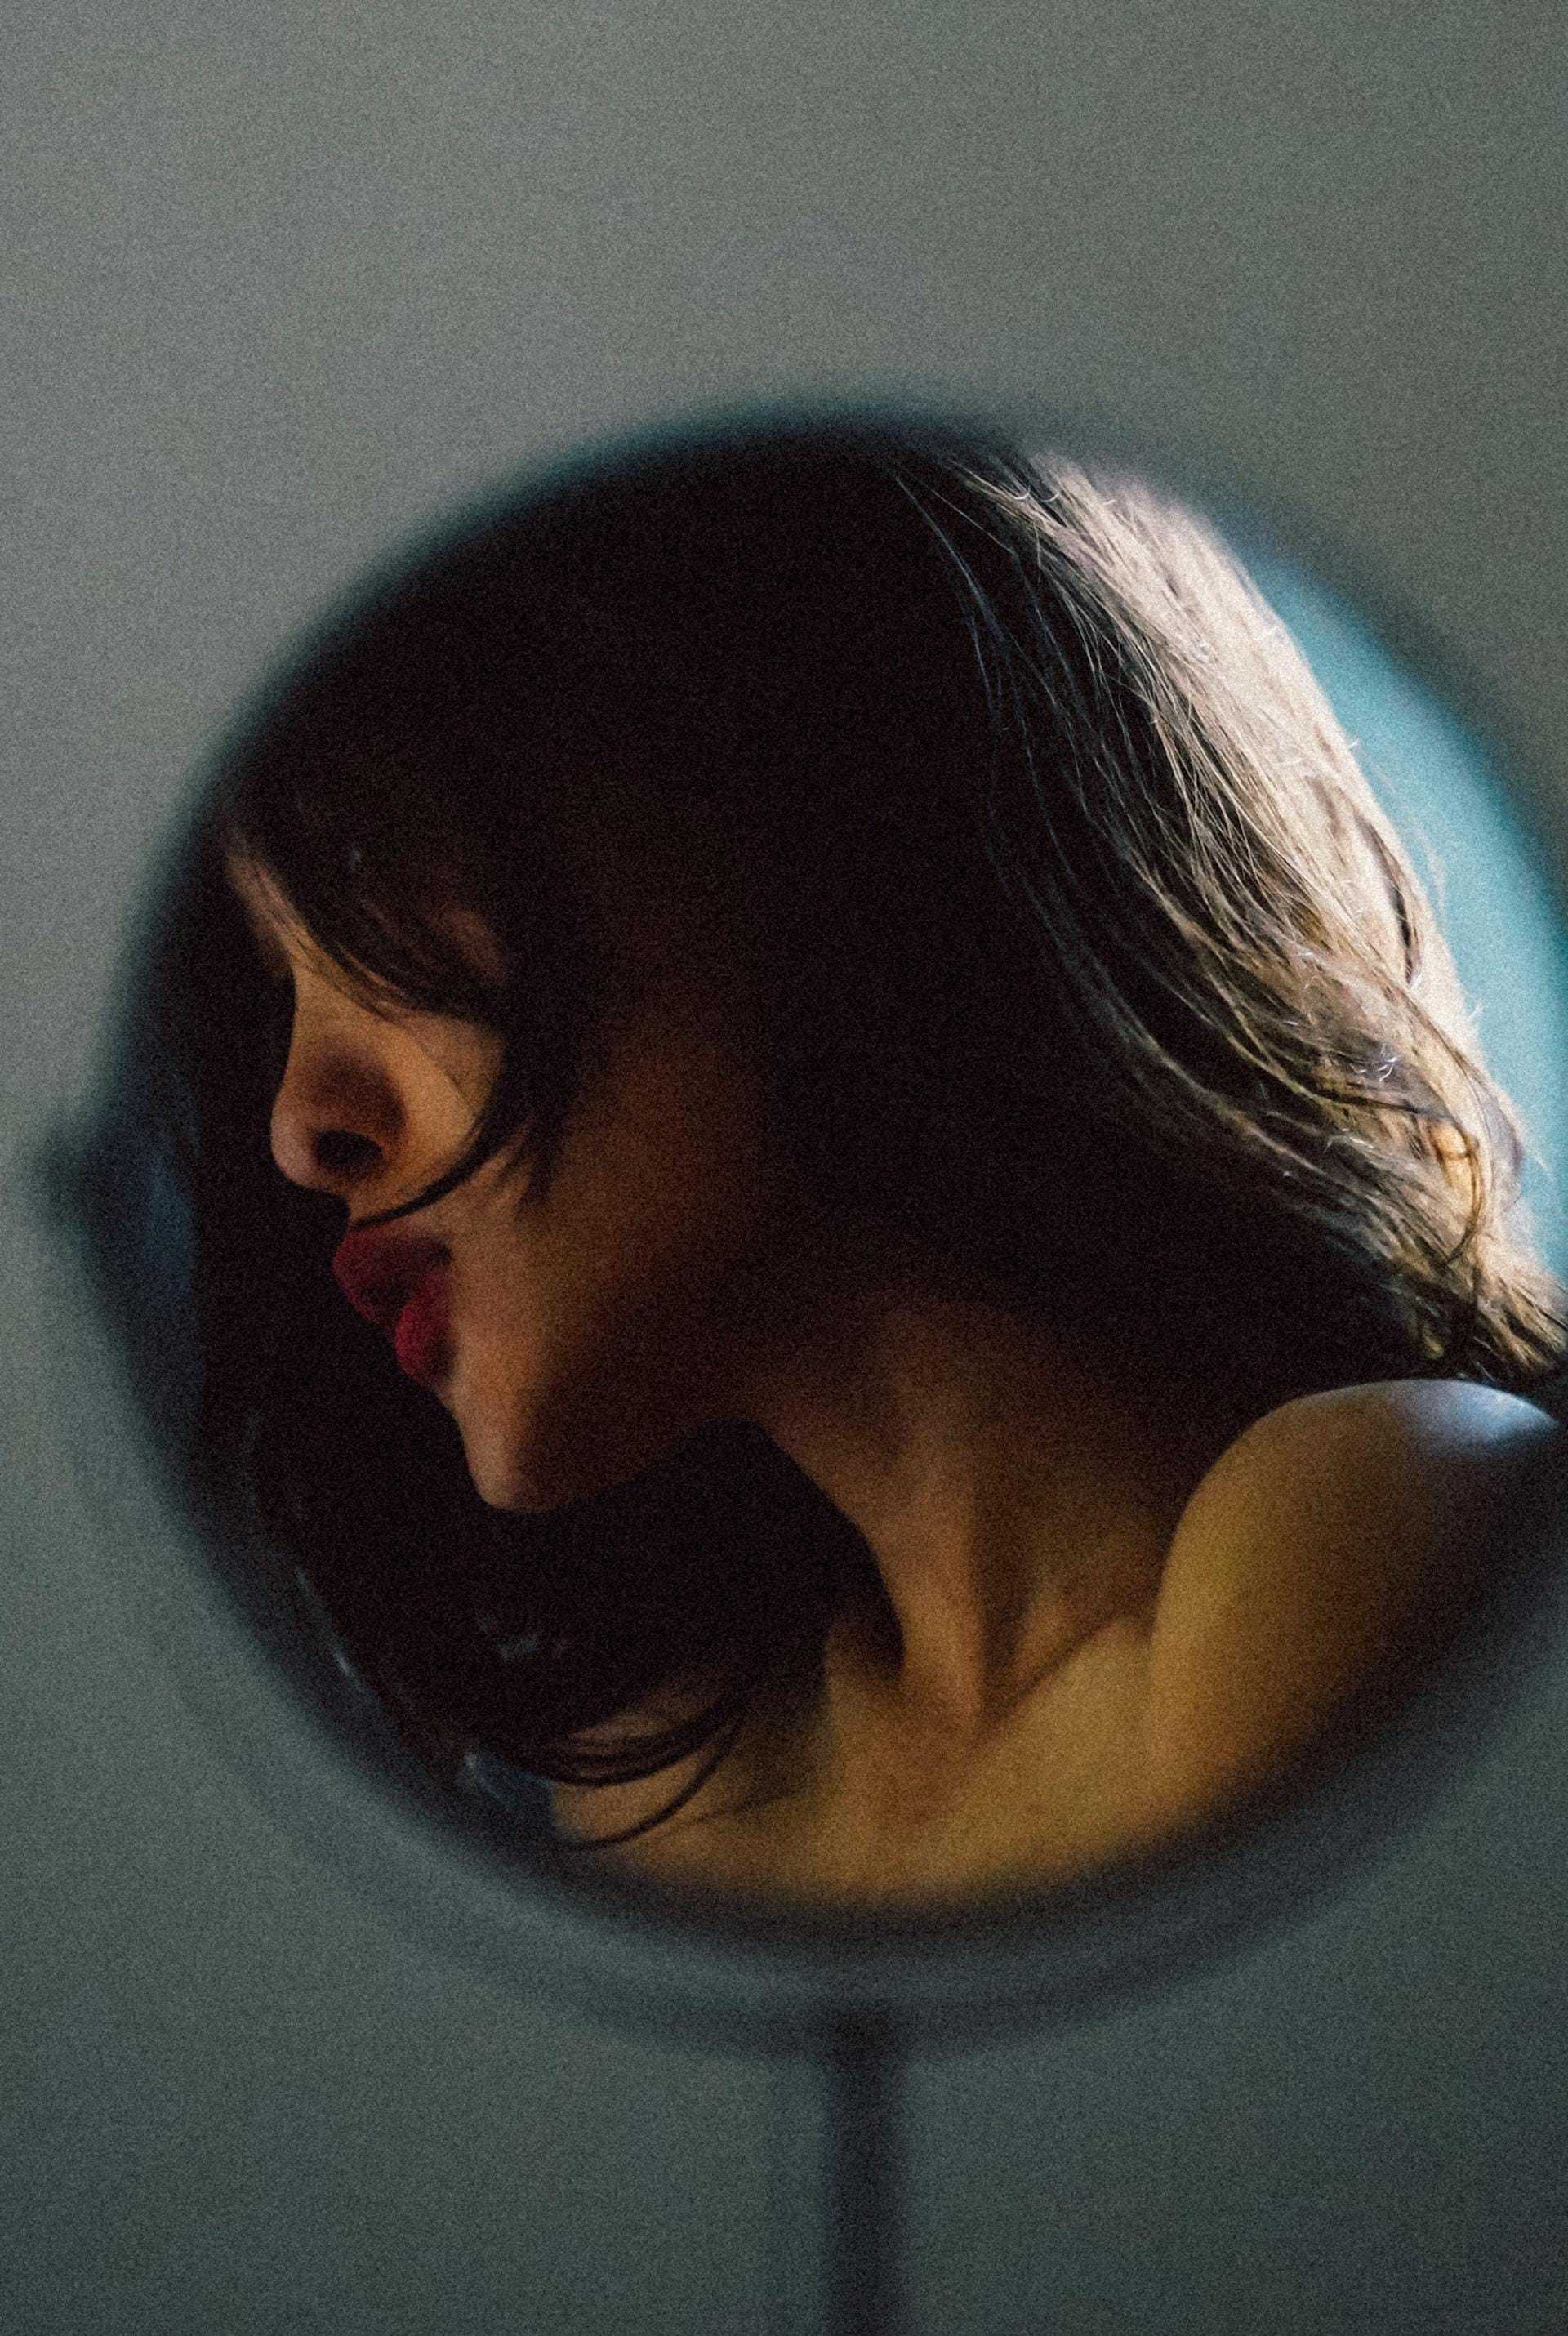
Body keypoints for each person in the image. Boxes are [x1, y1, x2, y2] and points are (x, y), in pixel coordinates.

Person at [34, 408, 1568, 1907]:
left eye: (365, 878)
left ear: (787, 754)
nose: (303, 1123)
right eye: (284, 975)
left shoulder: (1358, 1525)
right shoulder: (672, 1790)